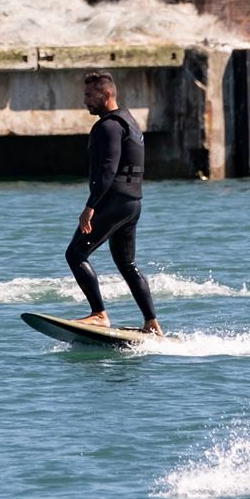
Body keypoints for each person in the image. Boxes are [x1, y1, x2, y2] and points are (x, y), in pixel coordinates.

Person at [64, 71, 162, 334]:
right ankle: (152, 323)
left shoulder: (108, 126)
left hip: (114, 201)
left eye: (89, 95)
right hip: (132, 204)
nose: (85, 101)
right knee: (127, 264)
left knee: (75, 254)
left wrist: (90, 206)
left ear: (106, 94)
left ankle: (98, 314)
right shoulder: (130, 121)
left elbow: (108, 169)